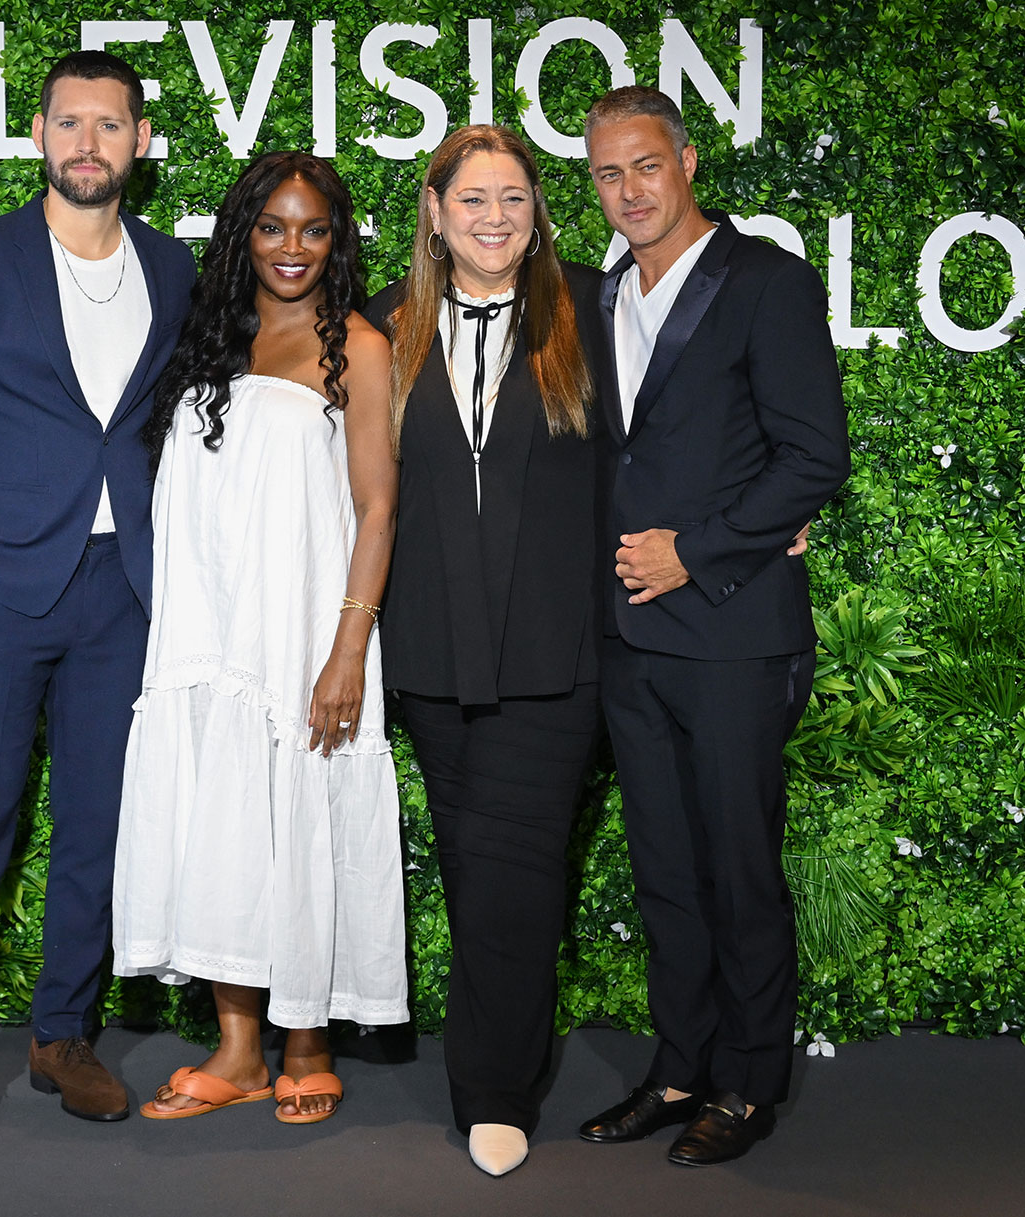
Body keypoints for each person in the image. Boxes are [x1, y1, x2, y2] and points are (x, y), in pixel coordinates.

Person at [0, 50, 196, 1151]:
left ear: (139, 142)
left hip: (123, 594)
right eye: (71, 123)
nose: (88, 144)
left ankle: (65, 1034)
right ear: (38, 135)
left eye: (110, 125)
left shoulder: (174, 267)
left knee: (99, 827)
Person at [576, 86, 850, 1166]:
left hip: (735, 632)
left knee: (738, 864)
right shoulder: (602, 296)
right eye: (606, 173)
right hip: (630, 641)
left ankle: (748, 1079)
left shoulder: (765, 282)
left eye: (645, 165)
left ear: (686, 162)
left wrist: (703, 546)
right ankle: (679, 1065)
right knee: (664, 868)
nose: (628, 190)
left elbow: (813, 455)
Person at [111, 151, 405, 1125]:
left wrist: (348, 647)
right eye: (271, 227)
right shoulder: (207, 343)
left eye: (312, 229)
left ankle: (307, 1038)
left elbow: (376, 508)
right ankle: (237, 1046)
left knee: (300, 814)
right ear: (242, 234)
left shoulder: (356, 346)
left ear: (338, 240)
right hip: (205, 635)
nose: (291, 247)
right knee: (223, 825)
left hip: (303, 631)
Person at [363, 125, 603, 1177]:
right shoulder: (380, 326)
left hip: (557, 650)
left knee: (511, 867)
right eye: (473, 200)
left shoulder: (591, 311)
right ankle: (501, 1052)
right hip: (425, 651)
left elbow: (678, 428)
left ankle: (494, 1087)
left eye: (513, 199)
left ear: (538, 210)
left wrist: (761, 512)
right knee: (472, 860)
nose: (494, 218)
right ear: (433, 209)